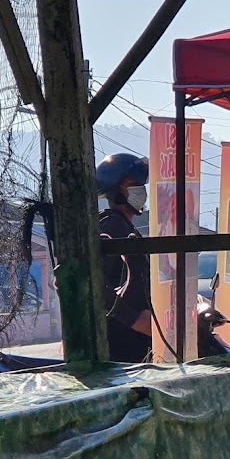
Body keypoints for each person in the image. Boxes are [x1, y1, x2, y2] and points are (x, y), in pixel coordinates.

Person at [97, 153, 153, 363]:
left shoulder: (125, 226)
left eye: (140, 185)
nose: (140, 190)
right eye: (132, 184)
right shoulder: (111, 226)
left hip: (137, 343)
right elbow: (94, 285)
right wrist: (133, 319)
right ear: (115, 192)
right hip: (120, 344)